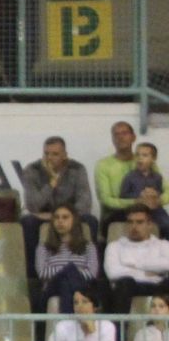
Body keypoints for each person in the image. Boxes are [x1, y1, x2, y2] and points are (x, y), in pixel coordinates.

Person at [20, 135, 97, 271]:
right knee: (28, 222)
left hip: (69, 216)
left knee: (90, 220)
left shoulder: (77, 169)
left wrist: (59, 215)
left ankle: (86, 268)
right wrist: (51, 184)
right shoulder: (32, 170)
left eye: (55, 154)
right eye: (46, 154)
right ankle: (32, 272)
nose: (49, 158)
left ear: (65, 155)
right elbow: (32, 205)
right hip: (41, 218)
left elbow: (85, 203)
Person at [34, 204, 100, 311]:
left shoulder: (88, 246)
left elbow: (92, 273)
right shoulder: (43, 247)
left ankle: (66, 319)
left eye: (65, 217)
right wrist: (70, 270)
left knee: (65, 283)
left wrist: (67, 273)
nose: (60, 221)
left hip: (81, 287)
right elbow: (42, 273)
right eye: (56, 217)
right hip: (52, 289)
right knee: (67, 274)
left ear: (74, 221)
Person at [104, 207, 169, 313]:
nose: (134, 226)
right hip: (129, 286)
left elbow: (167, 264)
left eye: (139, 222)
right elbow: (113, 273)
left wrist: (135, 264)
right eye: (130, 222)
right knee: (125, 282)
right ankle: (120, 324)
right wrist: (149, 273)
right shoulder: (115, 246)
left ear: (149, 224)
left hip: (158, 286)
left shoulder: (163, 245)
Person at [95, 121, 139, 235]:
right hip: (115, 213)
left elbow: (164, 189)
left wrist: (156, 200)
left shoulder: (143, 161)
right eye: (116, 134)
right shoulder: (103, 165)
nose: (120, 137)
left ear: (133, 137)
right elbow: (105, 199)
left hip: (145, 210)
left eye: (124, 133)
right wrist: (135, 202)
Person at [118, 140, 167, 236]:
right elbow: (123, 195)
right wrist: (139, 195)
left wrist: (155, 194)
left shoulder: (157, 177)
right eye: (137, 155)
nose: (140, 158)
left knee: (166, 224)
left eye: (144, 155)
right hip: (135, 209)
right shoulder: (129, 177)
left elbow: (160, 192)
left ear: (153, 159)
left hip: (154, 210)